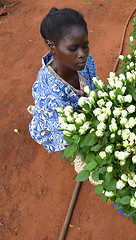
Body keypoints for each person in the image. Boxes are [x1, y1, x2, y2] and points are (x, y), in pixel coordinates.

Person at [29, 8, 98, 158]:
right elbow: (66, 139)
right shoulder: (48, 94)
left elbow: (96, 87)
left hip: (82, 115)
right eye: (73, 49)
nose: (82, 54)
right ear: (52, 46)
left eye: (85, 46)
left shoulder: (86, 62)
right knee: (73, 155)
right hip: (61, 132)